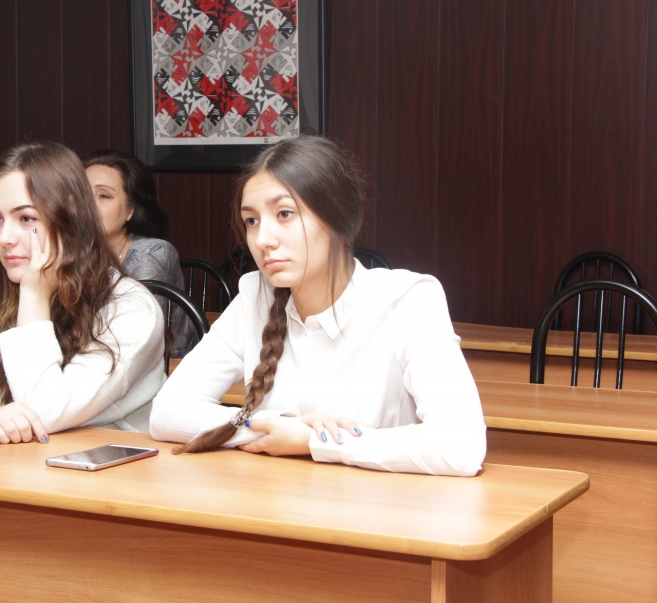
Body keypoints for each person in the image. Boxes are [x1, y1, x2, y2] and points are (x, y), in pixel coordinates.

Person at [149, 136, 486, 476]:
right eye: (251, 220)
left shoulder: (407, 300)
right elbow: (166, 411)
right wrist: (274, 425)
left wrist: (313, 441)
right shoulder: (256, 298)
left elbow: (461, 445)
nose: (262, 239)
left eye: (284, 214)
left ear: (337, 217)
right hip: (276, 498)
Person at [0, 142, 166, 443]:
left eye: (26, 218)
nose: (5, 238)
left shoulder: (131, 308)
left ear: (72, 222)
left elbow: (42, 413)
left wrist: (34, 296)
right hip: (11, 463)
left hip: (109, 467)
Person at [82, 149, 197, 357]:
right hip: (98, 364)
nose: (88, 205)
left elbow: (132, 338)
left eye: (104, 195)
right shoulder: (72, 253)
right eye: (80, 194)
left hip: (168, 368)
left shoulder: (153, 253)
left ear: (130, 210)